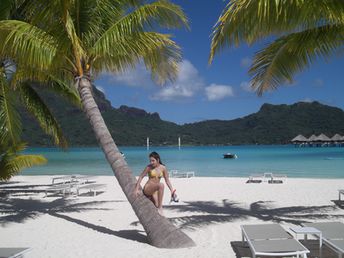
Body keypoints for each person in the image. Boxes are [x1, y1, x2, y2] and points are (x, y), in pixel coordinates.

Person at [134, 151, 176, 215]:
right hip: (148, 188)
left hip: (155, 190)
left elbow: (167, 180)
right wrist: (136, 189)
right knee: (161, 185)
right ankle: (160, 207)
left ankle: (154, 202)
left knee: (156, 204)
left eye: (153, 161)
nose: (151, 162)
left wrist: (172, 191)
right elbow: (141, 176)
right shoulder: (149, 167)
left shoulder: (163, 168)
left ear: (158, 160)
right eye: (150, 161)